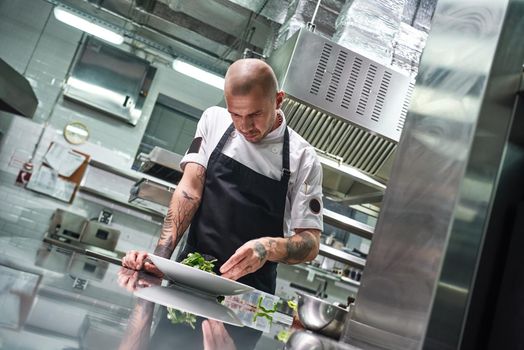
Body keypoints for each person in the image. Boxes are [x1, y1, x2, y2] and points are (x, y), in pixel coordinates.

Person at [122, 58, 323, 295]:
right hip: (189, 277)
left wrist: (266, 247)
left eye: (255, 114)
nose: (245, 125)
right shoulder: (214, 120)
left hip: (247, 296)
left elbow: (310, 243)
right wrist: (160, 259)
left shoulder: (303, 158)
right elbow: (189, 192)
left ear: (278, 100)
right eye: (236, 114)